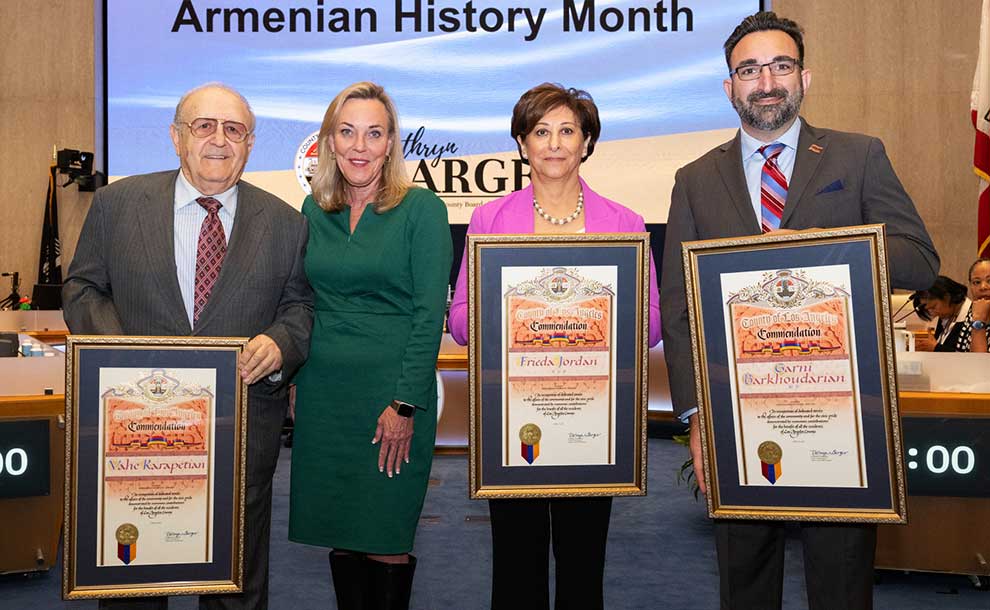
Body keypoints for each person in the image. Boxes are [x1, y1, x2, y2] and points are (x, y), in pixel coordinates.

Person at [660, 11, 939, 610]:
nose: (766, 83)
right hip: (735, 414)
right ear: (729, 86)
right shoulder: (695, 179)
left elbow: (920, 260)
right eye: (749, 70)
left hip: (839, 413)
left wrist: (822, 246)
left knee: (841, 582)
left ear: (804, 78)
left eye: (780, 66)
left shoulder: (858, 156)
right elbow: (679, 308)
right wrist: (697, 417)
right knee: (745, 583)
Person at [62, 83, 314, 610]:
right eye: (204, 126)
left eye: (234, 130)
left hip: (240, 428)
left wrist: (279, 342)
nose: (219, 140)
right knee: (133, 578)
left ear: (249, 144)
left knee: (235, 583)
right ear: (177, 137)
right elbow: (82, 289)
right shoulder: (116, 205)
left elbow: (300, 308)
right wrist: (125, 357)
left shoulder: (287, 223)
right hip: (135, 430)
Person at [447, 83, 662, 610]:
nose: (554, 143)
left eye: (568, 130)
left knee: (583, 569)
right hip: (512, 419)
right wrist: (526, 317)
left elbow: (653, 323)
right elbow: (459, 321)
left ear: (587, 142)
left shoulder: (625, 224)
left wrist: (589, 321)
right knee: (515, 570)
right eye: (540, 131)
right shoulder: (490, 221)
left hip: (592, 420)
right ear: (522, 143)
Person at [287, 82, 452, 610]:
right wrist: (296, 380)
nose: (360, 146)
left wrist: (404, 403)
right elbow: (302, 301)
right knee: (341, 531)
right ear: (329, 142)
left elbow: (429, 314)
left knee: (385, 536)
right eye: (347, 132)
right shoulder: (314, 209)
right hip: (325, 395)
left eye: (374, 134)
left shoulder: (422, 209)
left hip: (391, 396)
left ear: (390, 144)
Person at [910, 276, 971, 351]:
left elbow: (968, 355)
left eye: (933, 307)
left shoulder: (973, 317)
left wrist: (935, 348)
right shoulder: (946, 315)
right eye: (928, 310)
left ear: (947, 297)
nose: (933, 314)